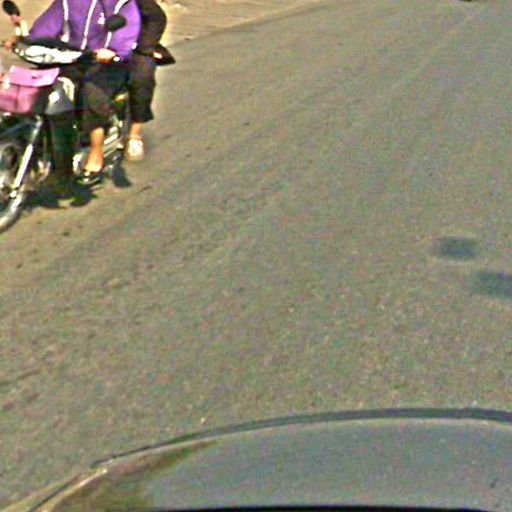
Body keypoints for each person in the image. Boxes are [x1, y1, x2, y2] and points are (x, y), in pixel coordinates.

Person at [27, 0, 141, 185]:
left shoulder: (122, 4)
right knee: (38, 84)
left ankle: (96, 152)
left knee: (92, 93)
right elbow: (46, 27)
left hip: (107, 65)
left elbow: (125, 36)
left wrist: (113, 52)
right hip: (72, 59)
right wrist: (30, 41)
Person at [125, 0, 167, 161]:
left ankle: (135, 134)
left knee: (142, 77)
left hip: (133, 47)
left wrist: (144, 46)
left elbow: (157, 18)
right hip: (92, 46)